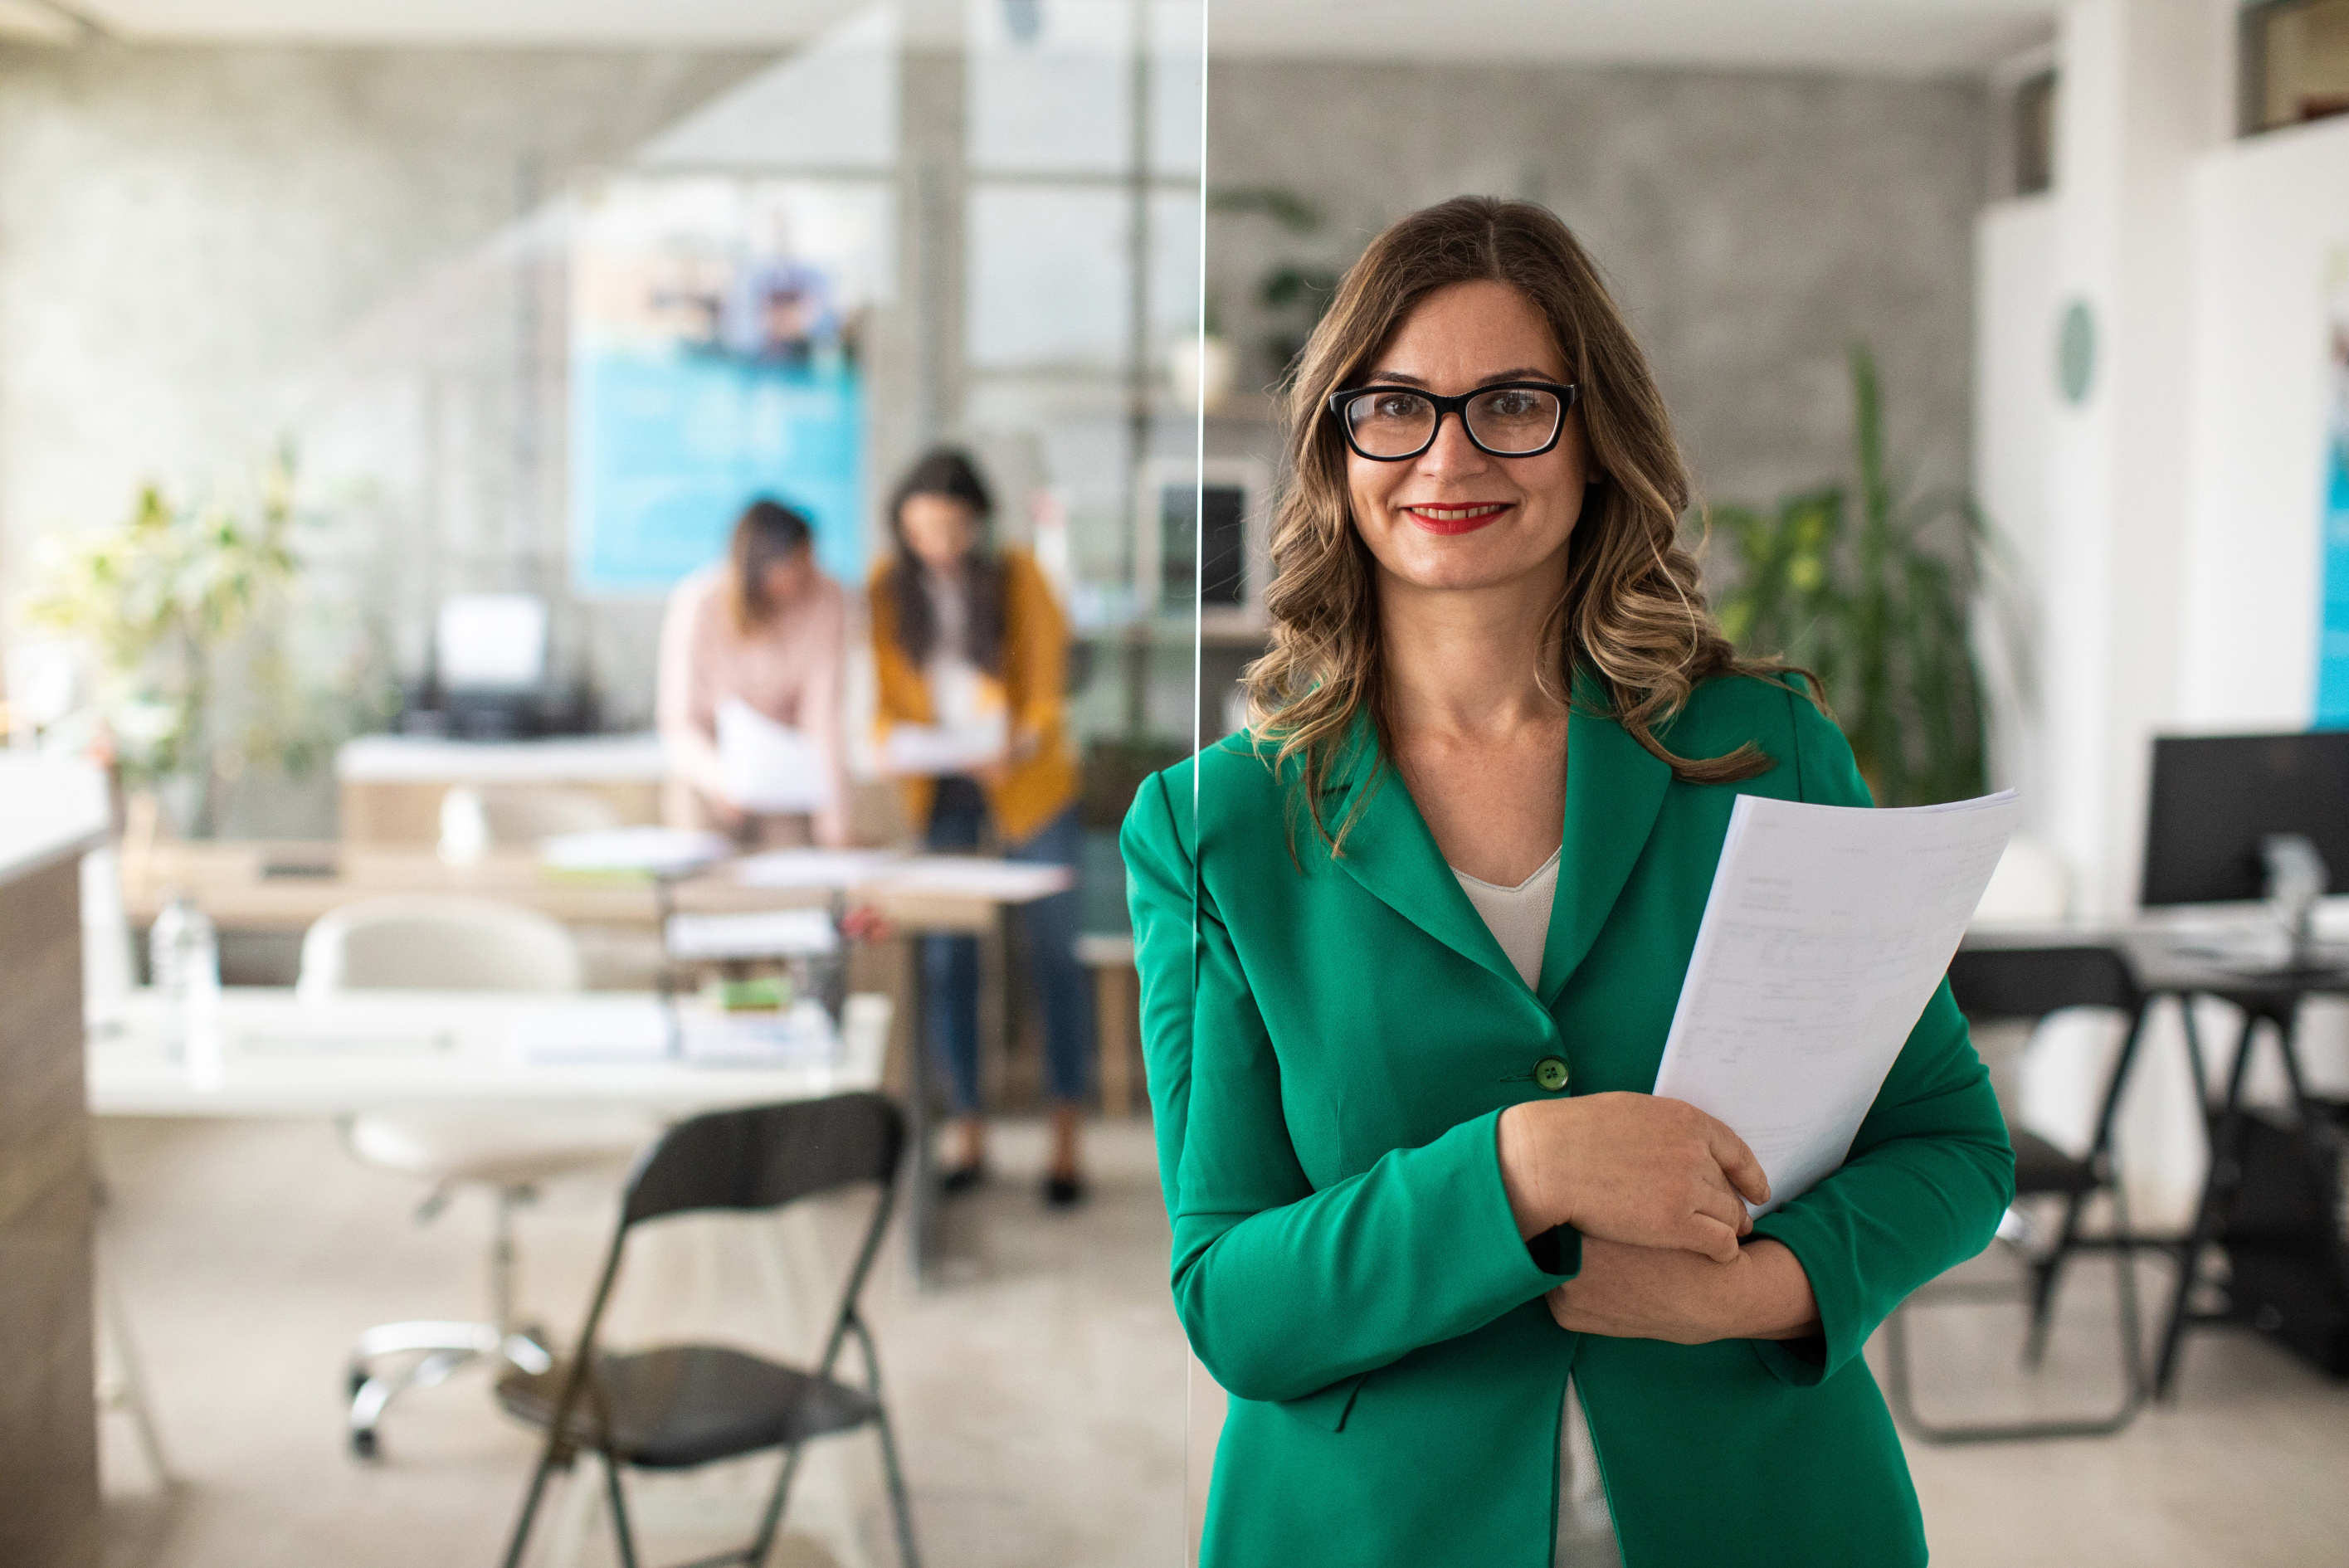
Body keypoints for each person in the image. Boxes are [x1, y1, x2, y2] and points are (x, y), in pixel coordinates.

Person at [1121, 197, 2013, 1567]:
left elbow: (1952, 1147)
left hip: (1762, 1515)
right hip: (1371, 1530)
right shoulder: (1215, 828)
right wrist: (1520, 1166)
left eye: (1512, 404)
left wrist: (1757, 1293)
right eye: (1395, 406)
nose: (1448, 454)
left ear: (1594, 438)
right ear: (1335, 443)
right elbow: (1232, 1302)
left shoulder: (1762, 749)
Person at [872, 449, 1095, 1208]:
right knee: (946, 961)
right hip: (938, 788)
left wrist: (1017, 743)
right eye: (923, 529)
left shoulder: (1019, 577)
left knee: (1052, 957)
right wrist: (897, 744)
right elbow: (878, 701)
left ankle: (1065, 1132)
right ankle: (968, 1127)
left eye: (953, 527)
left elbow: (1046, 687)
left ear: (977, 522)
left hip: (1028, 785)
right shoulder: (882, 590)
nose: (939, 543)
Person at [657, 497, 850, 850]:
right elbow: (678, 722)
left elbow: (824, 717)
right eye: (795, 564)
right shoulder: (699, 602)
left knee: (795, 871)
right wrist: (721, 779)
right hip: (712, 775)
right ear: (759, 568)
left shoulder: (827, 597)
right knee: (706, 872)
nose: (807, 573)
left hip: (788, 777)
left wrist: (835, 823)